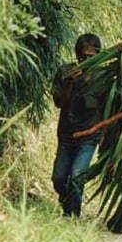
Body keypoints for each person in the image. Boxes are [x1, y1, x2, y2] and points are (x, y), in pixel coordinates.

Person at [51, 33, 103, 217]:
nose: (86, 61)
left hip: (88, 135)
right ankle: (66, 203)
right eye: (83, 56)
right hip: (66, 134)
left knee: (77, 176)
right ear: (77, 54)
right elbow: (58, 101)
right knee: (59, 178)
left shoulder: (102, 77)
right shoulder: (65, 72)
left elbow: (99, 107)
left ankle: (73, 216)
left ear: (98, 55)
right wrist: (70, 83)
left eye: (91, 57)